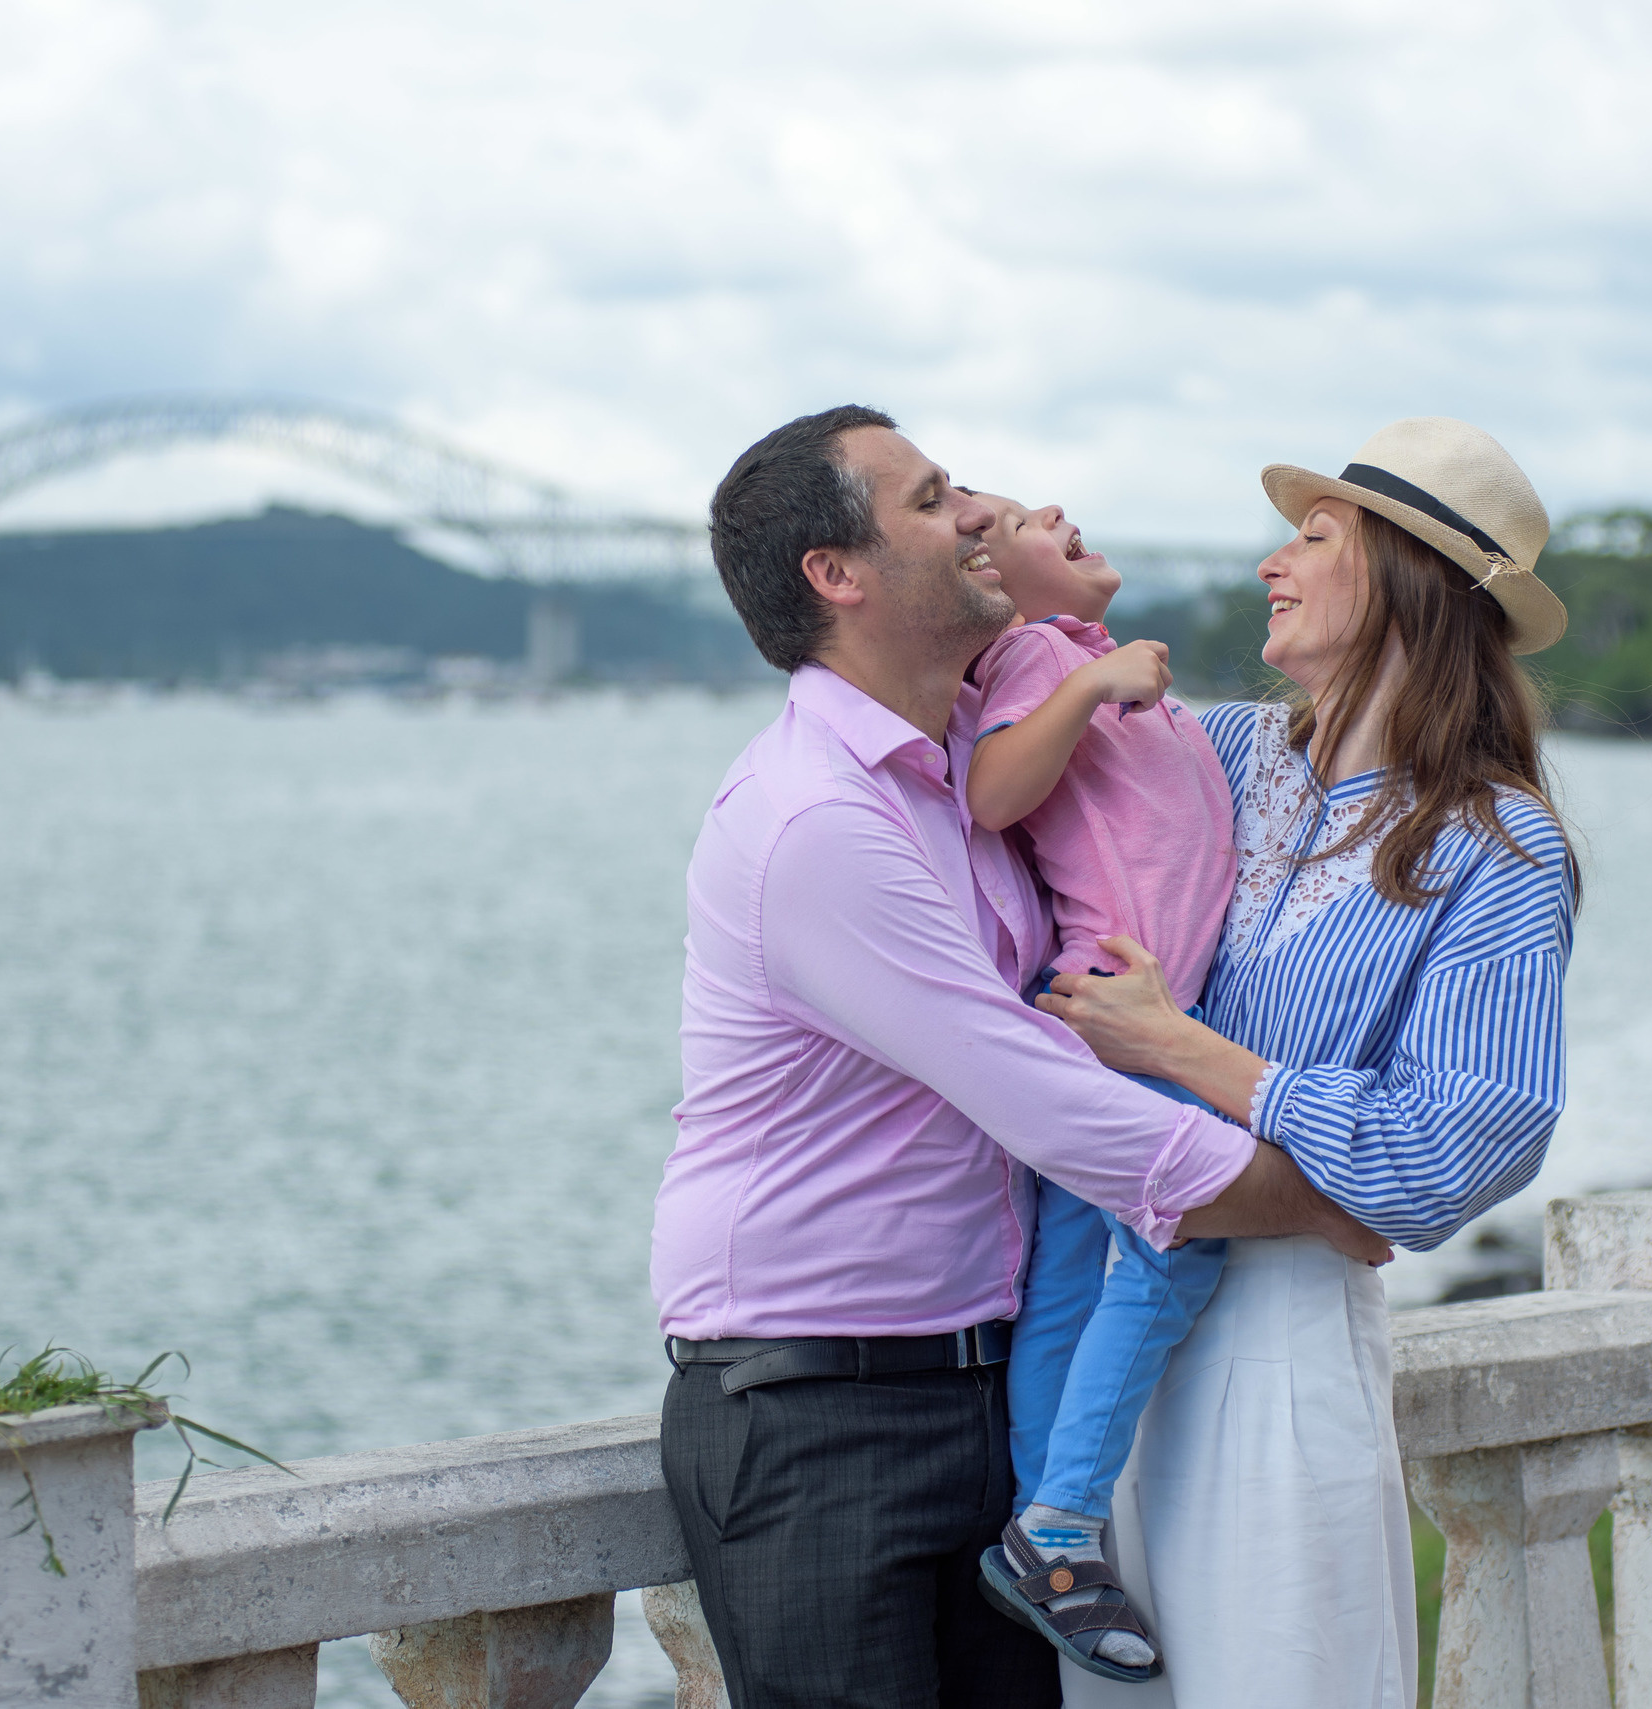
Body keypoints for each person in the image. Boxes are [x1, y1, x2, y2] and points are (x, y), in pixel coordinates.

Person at [651, 405, 1392, 1709]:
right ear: (837, 573)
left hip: (973, 1388)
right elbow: (1035, 1090)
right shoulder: (816, 819)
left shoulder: (978, 770)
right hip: (815, 1412)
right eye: (933, 500)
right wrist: (1314, 1195)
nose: (975, 516)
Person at [1036, 418, 1579, 1708]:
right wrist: (1312, 1188)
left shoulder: (1496, 848)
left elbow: (1448, 1148)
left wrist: (1183, 1050)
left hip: (1273, 1352)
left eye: (1313, 536)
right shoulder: (1219, 753)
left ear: (1406, 577)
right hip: (1093, 1345)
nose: (1269, 564)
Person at [954, 493, 1263, 1683]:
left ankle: (1046, 1527)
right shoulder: (1037, 655)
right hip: (1116, 1017)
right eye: (1013, 519)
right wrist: (1088, 681)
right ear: (993, 582)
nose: (1052, 508)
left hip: (1120, 1020)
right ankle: (1063, 1520)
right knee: (1181, 1242)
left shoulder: (1091, 660)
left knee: (1070, 1285)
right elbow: (992, 791)